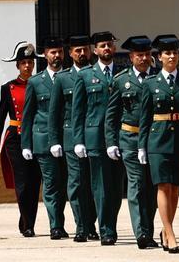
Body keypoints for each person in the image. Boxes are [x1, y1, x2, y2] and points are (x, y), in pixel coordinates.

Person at [137, 34, 179, 254]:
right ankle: (170, 233)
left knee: (174, 189)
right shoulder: (150, 83)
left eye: (175, 53)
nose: (172, 56)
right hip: (157, 140)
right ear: (160, 57)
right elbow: (144, 117)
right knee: (163, 186)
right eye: (167, 53)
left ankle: (166, 230)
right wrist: (141, 146)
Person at [105, 35, 159, 249]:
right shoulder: (121, 80)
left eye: (147, 55)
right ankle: (141, 233)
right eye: (139, 55)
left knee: (152, 188)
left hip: (154, 141)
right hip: (130, 138)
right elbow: (112, 114)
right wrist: (111, 141)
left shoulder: (157, 78)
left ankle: (150, 231)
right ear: (131, 57)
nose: (144, 59)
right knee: (136, 187)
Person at [73, 31, 124, 245]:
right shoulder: (85, 75)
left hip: (120, 138)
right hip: (95, 137)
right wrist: (78, 140)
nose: (106, 49)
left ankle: (110, 224)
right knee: (101, 186)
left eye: (110, 45)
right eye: (102, 45)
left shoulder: (123, 74)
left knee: (117, 188)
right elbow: (78, 110)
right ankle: (106, 230)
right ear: (95, 50)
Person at [49, 35, 98, 242]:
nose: (82, 54)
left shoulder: (98, 75)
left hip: (94, 137)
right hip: (70, 138)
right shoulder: (63, 78)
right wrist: (54, 141)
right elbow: (54, 112)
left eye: (85, 49)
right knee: (76, 183)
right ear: (70, 54)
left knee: (95, 184)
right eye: (77, 50)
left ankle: (91, 224)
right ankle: (81, 226)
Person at [0, 41, 41, 237]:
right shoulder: (8, 87)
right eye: (23, 62)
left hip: (37, 137)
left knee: (35, 181)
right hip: (15, 138)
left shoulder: (41, 84)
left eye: (30, 62)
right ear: (17, 66)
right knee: (22, 181)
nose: (27, 66)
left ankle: (28, 221)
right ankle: (28, 225)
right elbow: (1, 115)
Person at [20, 37, 68, 240]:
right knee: (51, 184)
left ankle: (71, 223)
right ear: (45, 55)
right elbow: (28, 114)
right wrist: (26, 144)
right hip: (43, 141)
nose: (56, 56)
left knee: (67, 184)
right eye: (52, 52)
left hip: (67, 139)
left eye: (59, 52)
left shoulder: (70, 77)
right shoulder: (35, 82)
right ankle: (55, 225)